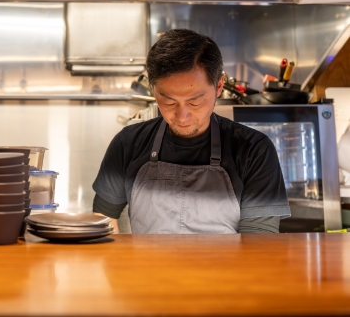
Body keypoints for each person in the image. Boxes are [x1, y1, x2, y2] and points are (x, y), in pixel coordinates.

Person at [92, 29, 290, 234]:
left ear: (219, 86)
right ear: (153, 89)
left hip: (227, 258)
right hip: (145, 257)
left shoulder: (253, 150)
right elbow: (103, 220)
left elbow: (258, 243)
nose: (182, 116)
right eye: (168, 101)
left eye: (195, 101)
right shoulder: (128, 143)